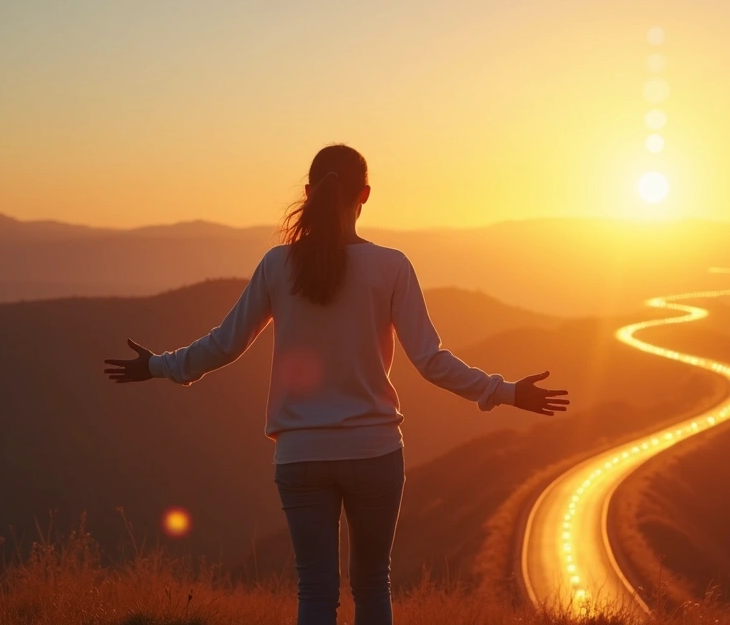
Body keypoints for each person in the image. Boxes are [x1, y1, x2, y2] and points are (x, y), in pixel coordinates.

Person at [103, 144, 569, 625]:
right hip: (376, 453)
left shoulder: (277, 265)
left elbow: (224, 345)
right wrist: (508, 391)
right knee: (372, 586)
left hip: (301, 457)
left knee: (315, 593)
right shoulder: (392, 267)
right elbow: (431, 361)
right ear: (365, 194)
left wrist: (158, 365)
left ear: (308, 193)